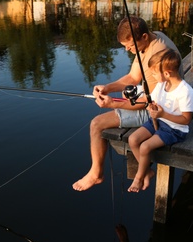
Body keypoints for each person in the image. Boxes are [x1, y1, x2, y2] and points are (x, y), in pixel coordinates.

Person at [72, 16, 183, 191]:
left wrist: (113, 104)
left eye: (131, 46)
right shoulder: (155, 37)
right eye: (126, 47)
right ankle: (143, 171)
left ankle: (96, 173)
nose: (129, 51)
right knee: (125, 92)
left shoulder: (157, 54)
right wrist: (107, 88)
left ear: (144, 36)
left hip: (161, 110)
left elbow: (147, 101)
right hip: (158, 97)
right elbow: (133, 77)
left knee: (97, 124)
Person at [127, 48, 193, 192]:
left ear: (166, 73)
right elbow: (155, 102)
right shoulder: (161, 84)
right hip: (158, 121)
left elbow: (186, 120)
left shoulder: (186, 92)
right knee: (133, 139)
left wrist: (162, 115)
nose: (152, 75)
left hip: (175, 129)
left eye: (154, 72)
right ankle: (147, 171)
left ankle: (139, 178)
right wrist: (152, 108)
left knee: (145, 147)